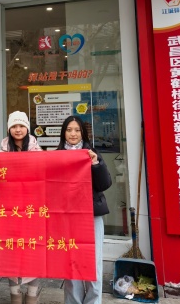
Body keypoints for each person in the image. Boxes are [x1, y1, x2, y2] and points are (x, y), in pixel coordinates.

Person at [57, 116, 112, 304]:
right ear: (63, 133)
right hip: (67, 217)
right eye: (69, 130)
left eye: (77, 130)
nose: (73, 134)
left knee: (93, 263)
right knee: (71, 263)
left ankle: (93, 301)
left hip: (91, 216)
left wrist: (96, 164)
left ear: (83, 133)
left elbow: (105, 184)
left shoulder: (91, 153)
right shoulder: (56, 156)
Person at [0, 111, 43, 304]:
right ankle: (15, 295)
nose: (18, 130)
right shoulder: (1, 152)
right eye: (14, 126)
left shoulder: (38, 151)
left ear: (27, 128)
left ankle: (32, 295)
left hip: (33, 210)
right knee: (12, 251)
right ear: (9, 129)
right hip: (9, 211)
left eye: (21, 126)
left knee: (33, 251)